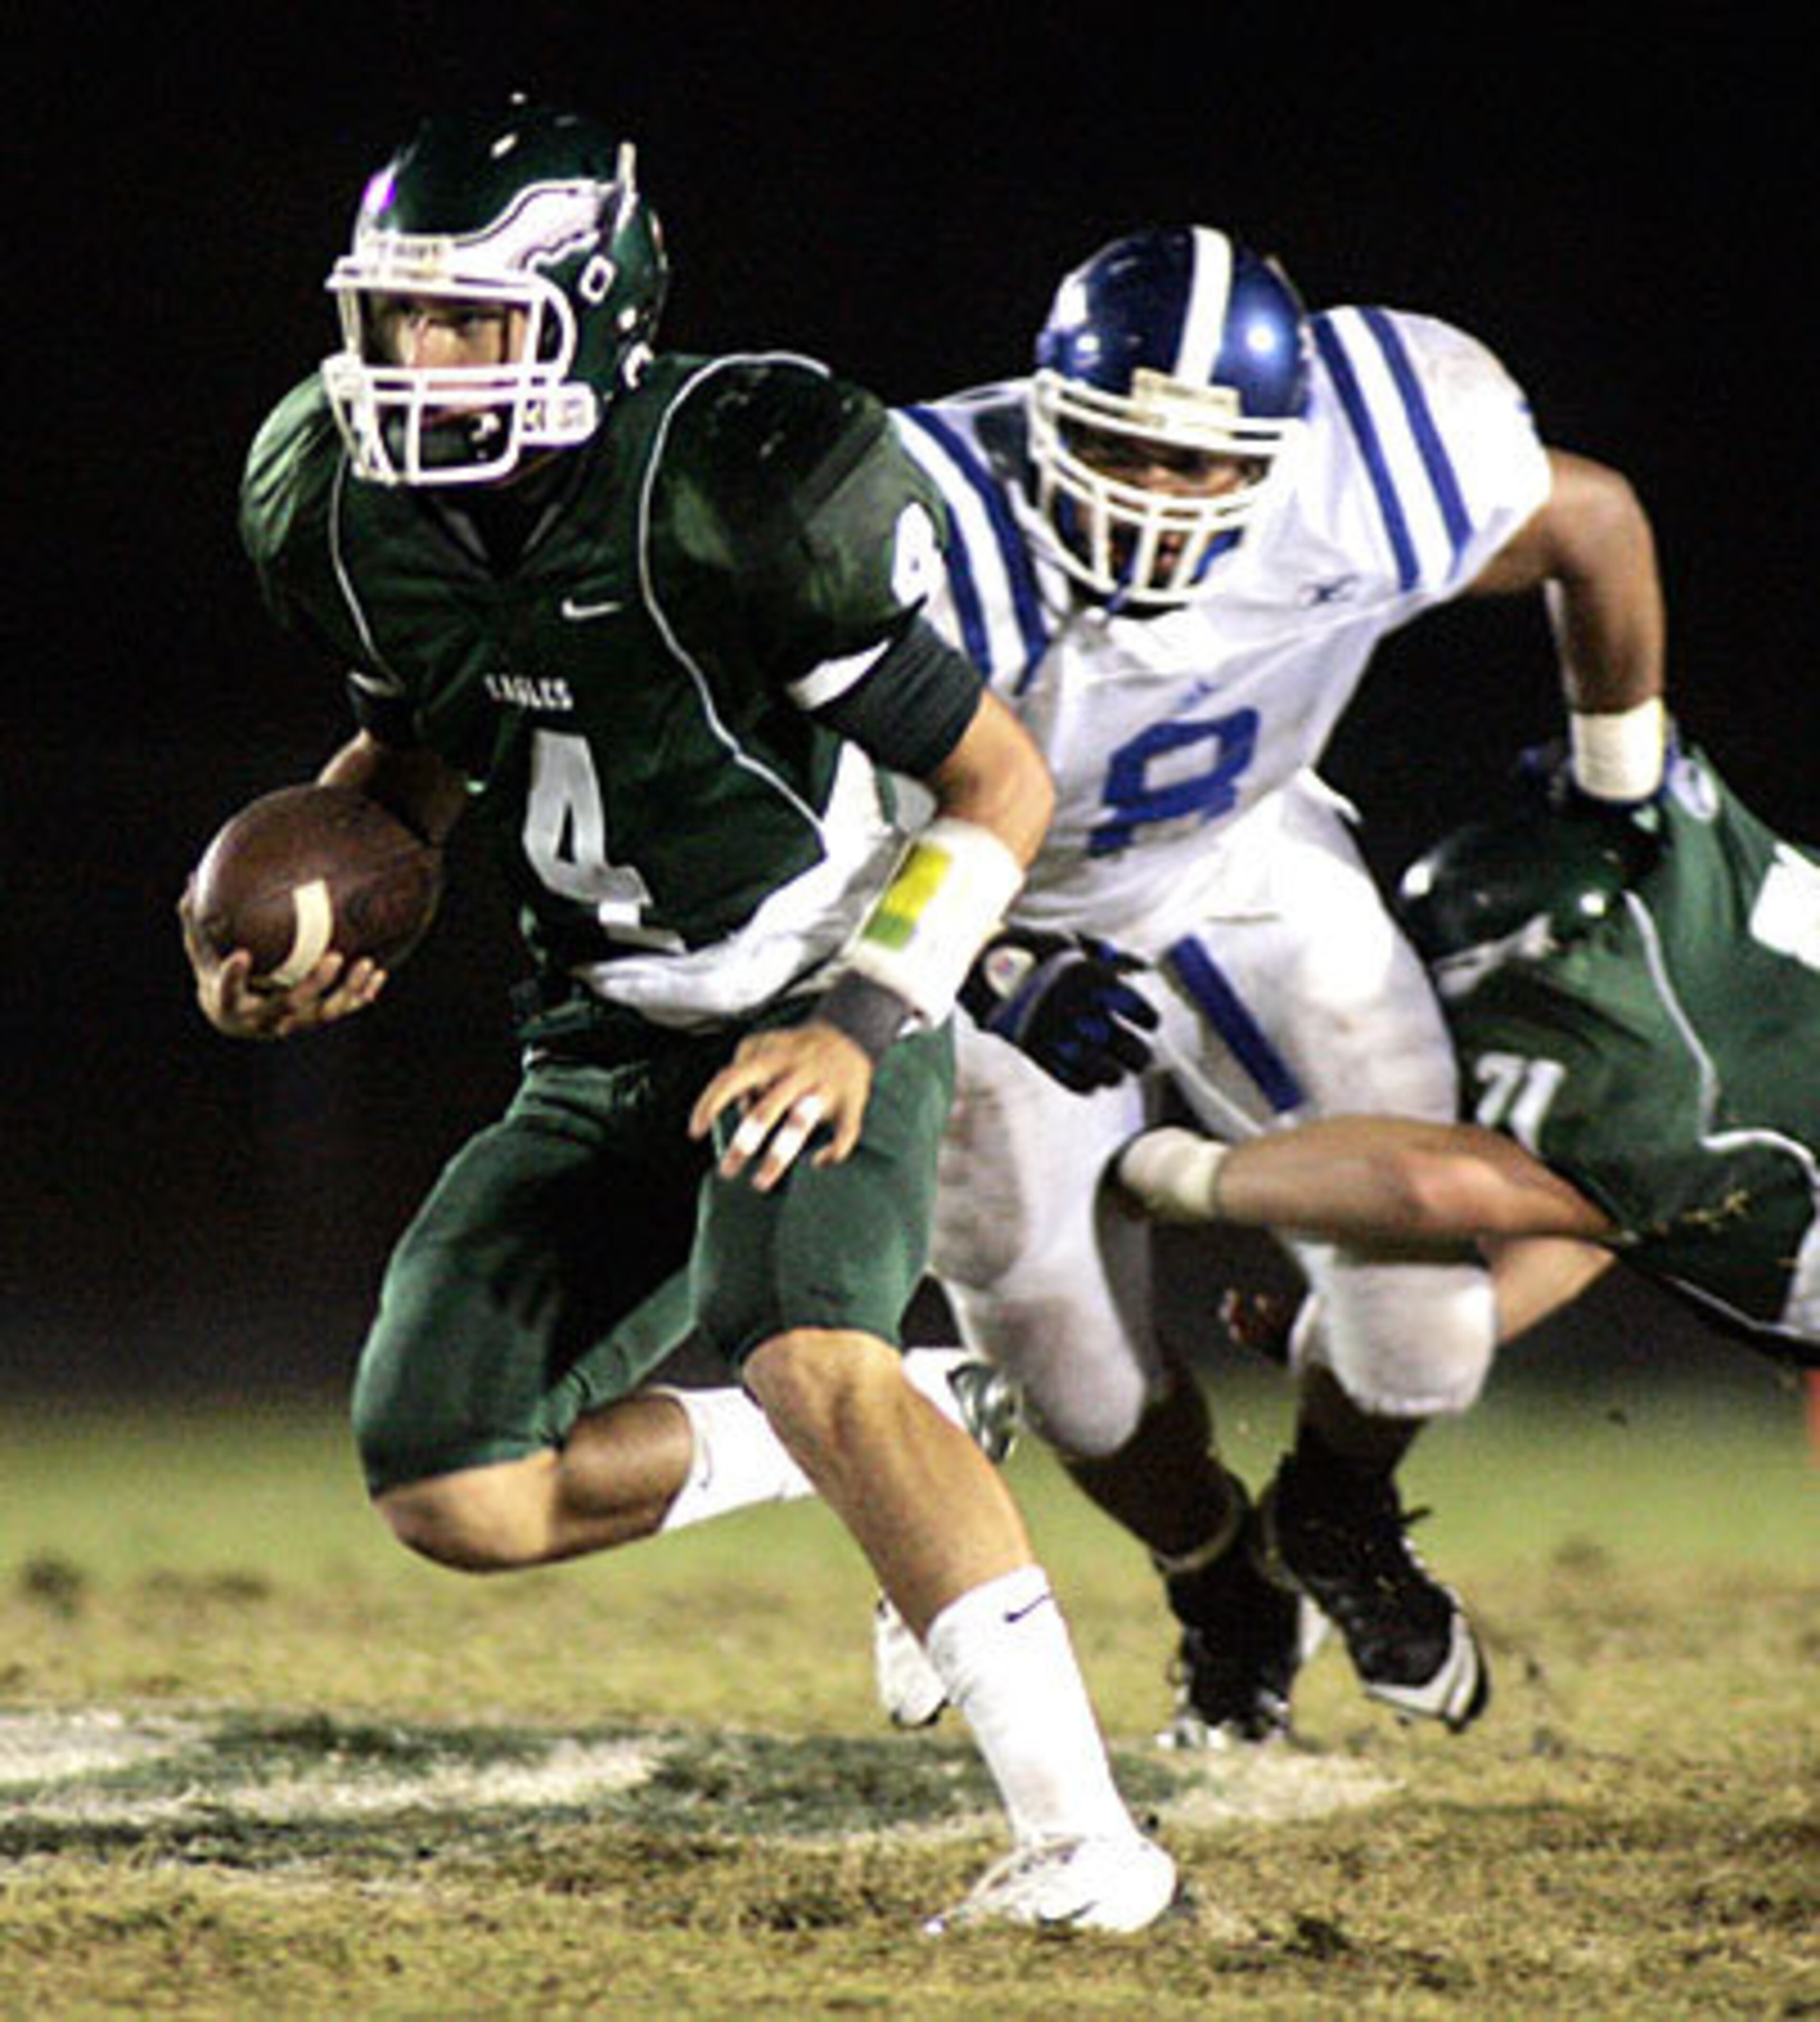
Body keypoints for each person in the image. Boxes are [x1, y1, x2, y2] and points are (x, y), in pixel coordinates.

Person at [179, 99, 1180, 1935]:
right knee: (453, 1487)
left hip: (820, 977)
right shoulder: (331, 498)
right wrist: (320, 897)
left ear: (591, 311)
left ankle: (1086, 1842)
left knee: (806, 1339)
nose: (422, 363)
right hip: (602, 1023)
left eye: (474, 318)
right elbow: (427, 745)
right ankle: (919, 1410)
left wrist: (865, 1017)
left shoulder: (743, 478)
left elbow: (998, 783)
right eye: (400, 318)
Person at [869, 224, 1667, 1748]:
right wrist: (976, 961)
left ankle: (1342, 1513)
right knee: (1073, 1373)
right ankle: (1219, 1572)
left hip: (1249, 865)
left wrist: (1619, 794)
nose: (1155, 498)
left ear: (1283, 452)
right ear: (1046, 409)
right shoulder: (920, 514)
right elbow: (804, 812)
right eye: (1118, 448)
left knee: (1429, 1324)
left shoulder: (1373, 466)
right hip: (989, 913)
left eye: (1207, 466)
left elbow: (1598, 522)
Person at [1119, 739, 1820, 1372]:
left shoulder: (1656, 1082)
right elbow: (1604, 1213)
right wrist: (1404, 1337)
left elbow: (1427, 1184)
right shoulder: (1718, 911)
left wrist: (1178, 1175)